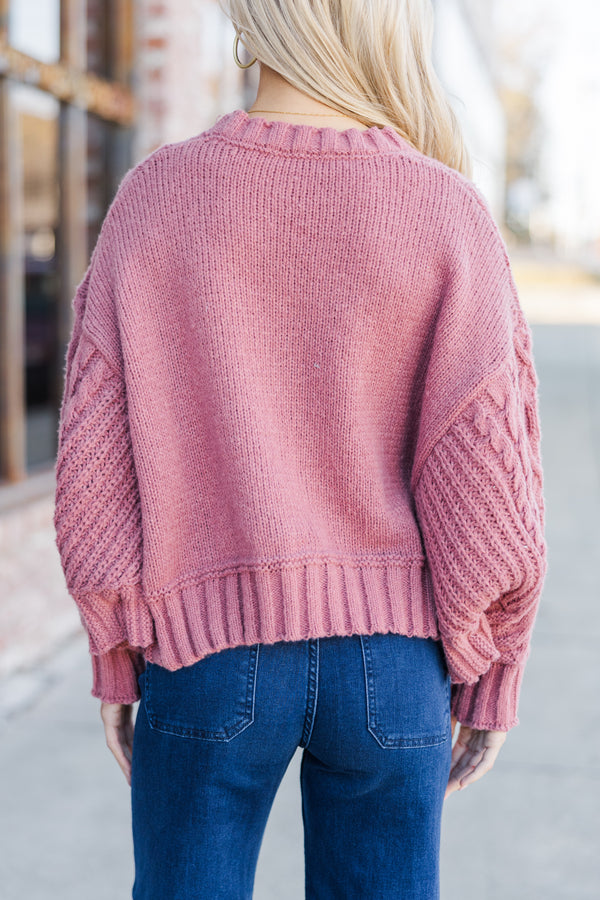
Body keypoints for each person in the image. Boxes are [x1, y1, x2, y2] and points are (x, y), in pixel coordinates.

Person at [52, 0, 548, 897]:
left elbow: (95, 464)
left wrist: (119, 654)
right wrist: (492, 668)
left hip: (202, 654)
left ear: (252, 20)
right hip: (394, 665)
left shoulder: (157, 197)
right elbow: (489, 479)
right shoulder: (445, 210)